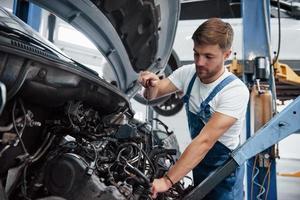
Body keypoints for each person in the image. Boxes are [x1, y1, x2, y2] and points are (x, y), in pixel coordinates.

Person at [138, 18, 249, 199]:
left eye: (208, 56)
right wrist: (149, 84)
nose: (199, 62)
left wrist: (167, 181)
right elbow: (152, 95)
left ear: (226, 55)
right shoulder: (188, 73)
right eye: (196, 54)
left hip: (224, 173)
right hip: (199, 164)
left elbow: (205, 141)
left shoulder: (235, 91)